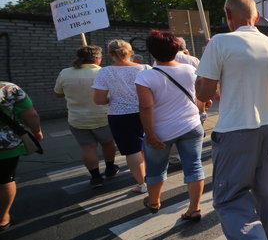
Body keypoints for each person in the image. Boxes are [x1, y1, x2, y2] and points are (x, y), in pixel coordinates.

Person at [195, 0, 268, 240]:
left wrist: (225, 87)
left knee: (229, 198)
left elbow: (204, 91)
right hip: (265, 127)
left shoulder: (220, 42)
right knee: (265, 193)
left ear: (228, 14)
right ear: (257, 15)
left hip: (235, 129)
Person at [135, 30, 207, 219]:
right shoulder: (191, 70)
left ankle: (154, 201)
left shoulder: (145, 77)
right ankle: (194, 208)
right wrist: (200, 113)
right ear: (176, 49)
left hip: (161, 130)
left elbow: (146, 107)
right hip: (192, 125)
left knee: (156, 169)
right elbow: (200, 97)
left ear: (151, 51)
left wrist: (150, 135)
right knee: (194, 166)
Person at [54, 46, 118, 188]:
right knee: (108, 143)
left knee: (87, 148)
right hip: (103, 117)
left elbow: (58, 93)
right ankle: (110, 168)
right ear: (97, 58)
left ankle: (95, 177)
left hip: (78, 119)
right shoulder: (103, 72)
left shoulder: (65, 73)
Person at [92, 39, 150, 194]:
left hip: (120, 115)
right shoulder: (145, 68)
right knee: (146, 145)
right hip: (145, 111)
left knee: (132, 150)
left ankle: (142, 183)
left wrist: (111, 98)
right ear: (131, 52)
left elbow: (98, 100)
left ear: (110, 54)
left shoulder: (104, 72)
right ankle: (152, 176)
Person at [1, 82, 42, 232]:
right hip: (5, 145)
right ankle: (3, 218)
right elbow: (31, 114)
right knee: (5, 178)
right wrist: (36, 130)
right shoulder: (8, 89)